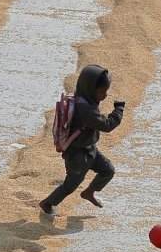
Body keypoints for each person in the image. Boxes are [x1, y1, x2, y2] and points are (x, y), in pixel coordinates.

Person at [40, 64, 124, 214]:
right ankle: (47, 203)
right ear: (91, 89)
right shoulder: (86, 110)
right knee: (71, 184)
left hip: (90, 148)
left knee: (108, 170)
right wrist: (118, 110)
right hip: (77, 154)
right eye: (102, 92)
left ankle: (89, 192)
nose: (105, 96)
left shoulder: (84, 98)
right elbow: (107, 125)